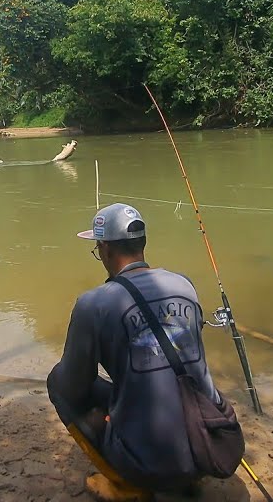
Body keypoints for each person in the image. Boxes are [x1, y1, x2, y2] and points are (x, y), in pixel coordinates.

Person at [47, 202, 234, 501]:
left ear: (106, 249)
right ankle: (186, 475)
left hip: (154, 466)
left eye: (97, 249)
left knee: (58, 380)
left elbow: (72, 385)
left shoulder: (93, 304)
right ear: (141, 244)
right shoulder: (183, 284)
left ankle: (128, 484)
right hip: (213, 443)